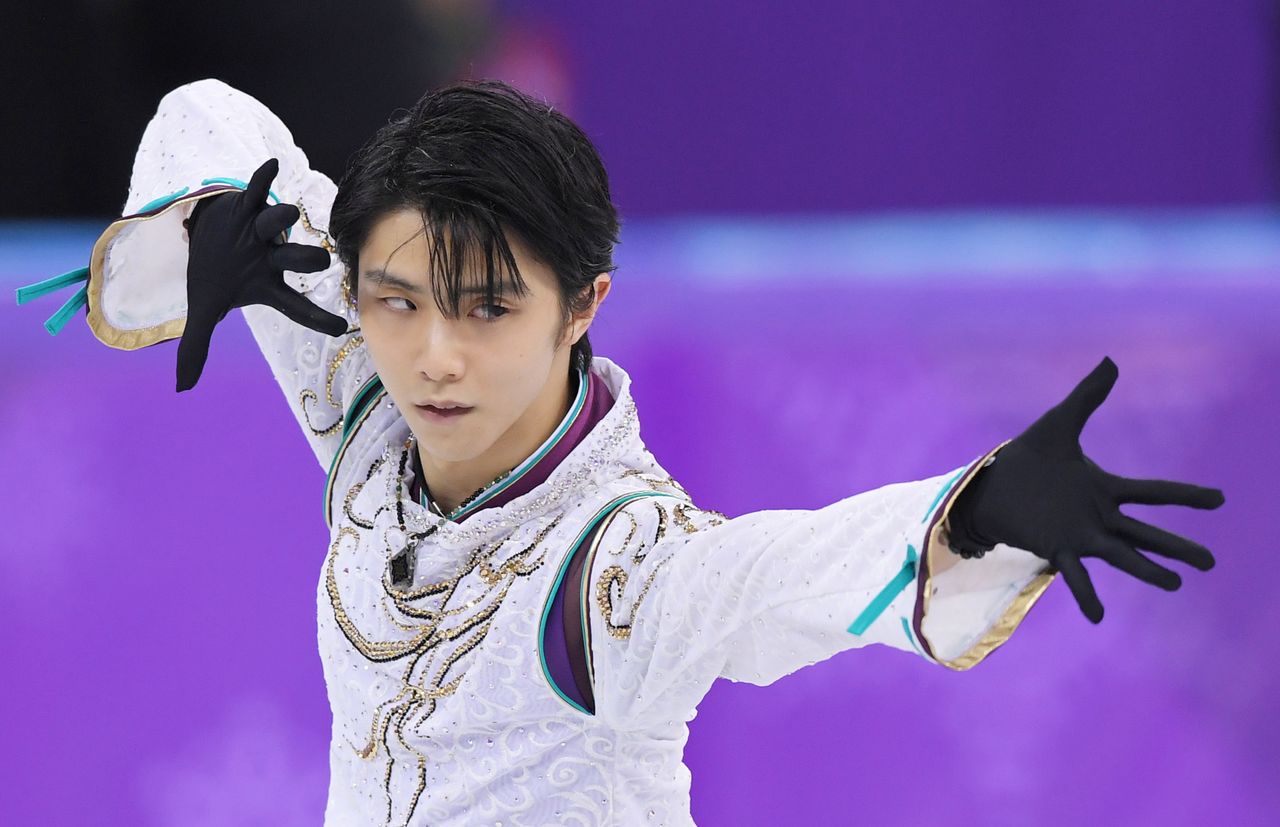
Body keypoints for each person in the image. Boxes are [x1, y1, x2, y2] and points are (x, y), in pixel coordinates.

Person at [15, 78, 1224, 826]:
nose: (433, 355)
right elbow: (209, 115)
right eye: (392, 299)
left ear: (582, 303)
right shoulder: (367, 389)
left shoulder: (614, 566)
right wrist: (218, 227)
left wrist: (975, 516)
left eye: (487, 307)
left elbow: (768, 577)